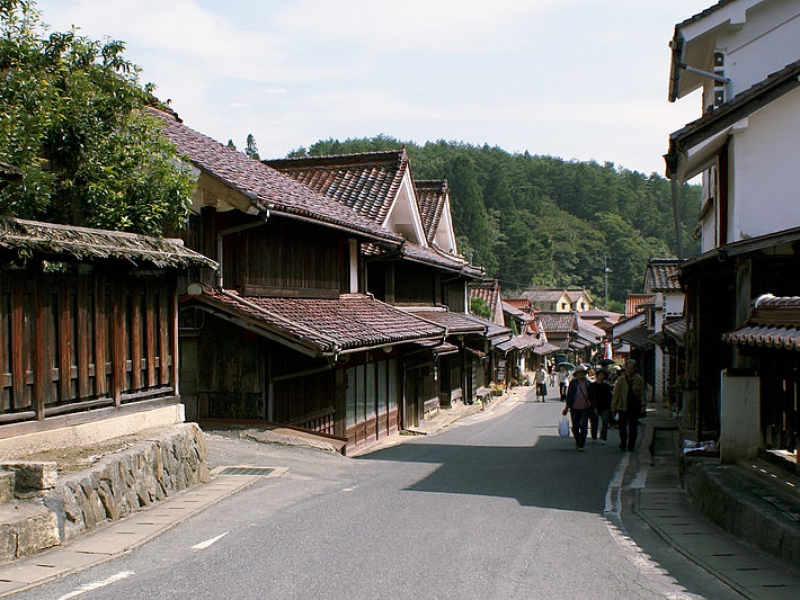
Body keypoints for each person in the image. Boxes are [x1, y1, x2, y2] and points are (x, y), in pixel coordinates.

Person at [612, 358, 646, 451]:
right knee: (622, 426)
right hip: (622, 406)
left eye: (631, 368)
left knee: (633, 427)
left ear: (634, 369)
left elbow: (642, 394)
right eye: (628, 368)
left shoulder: (639, 380)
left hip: (634, 406)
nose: (630, 370)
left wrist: (643, 406)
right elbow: (616, 394)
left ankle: (631, 444)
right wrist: (614, 407)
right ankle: (623, 442)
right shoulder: (621, 380)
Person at [562, 364, 593, 450]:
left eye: (582, 373)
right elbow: (569, 396)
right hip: (574, 408)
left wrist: (593, 406)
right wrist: (566, 407)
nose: (581, 375)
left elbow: (592, 396)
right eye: (579, 373)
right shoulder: (573, 384)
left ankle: (581, 444)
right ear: (576, 374)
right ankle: (577, 440)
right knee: (575, 426)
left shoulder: (588, 383)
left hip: (585, 408)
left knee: (584, 426)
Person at [589, 368, 613, 443]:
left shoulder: (606, 386)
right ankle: (594, 437)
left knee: (605, 422)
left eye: (603, 375)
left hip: (605, 406)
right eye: (600, 375)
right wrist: (594, 406)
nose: (601, 377)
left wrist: (611, 406)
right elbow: (591, 397)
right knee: (594, 422)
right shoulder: (592, 386)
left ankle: (603, 437)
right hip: (594, 406)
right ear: (597, 376)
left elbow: (609, 397)